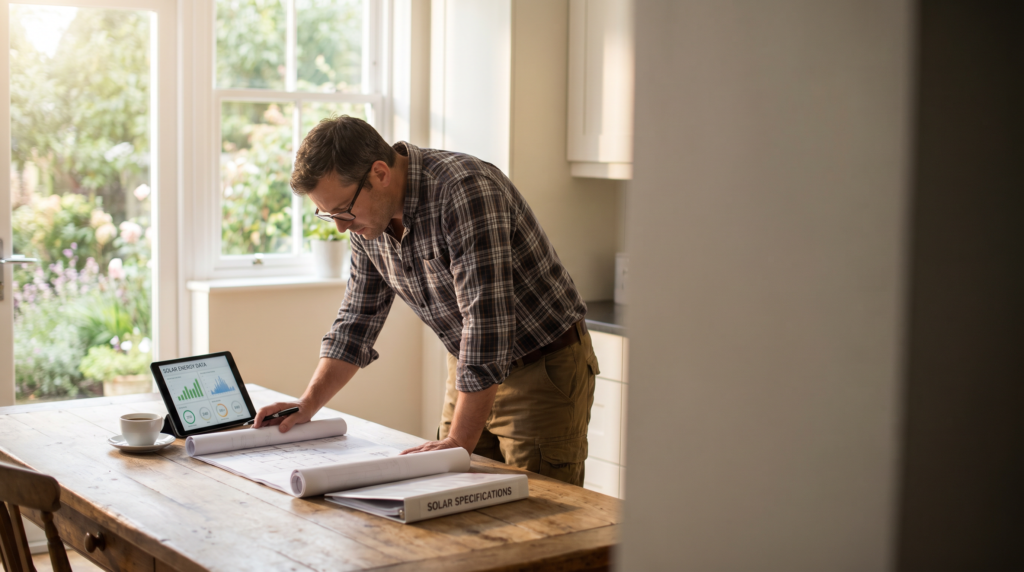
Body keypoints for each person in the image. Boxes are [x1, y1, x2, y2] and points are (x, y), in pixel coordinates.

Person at [254, 116, 599, 486]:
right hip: (469, 364)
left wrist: (457, 443)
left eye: (342, 210)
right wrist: (306, 405)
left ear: (380, 174)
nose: (340, 226)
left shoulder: (465, 192)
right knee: (451, 496)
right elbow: (357, 319)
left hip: (540, 368)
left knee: (537, 515)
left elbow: (486, 326)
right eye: (329, 214)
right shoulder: (367, 219)